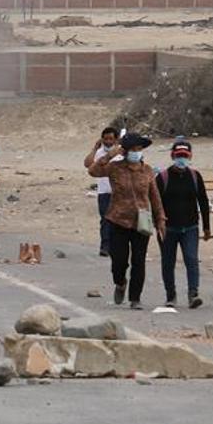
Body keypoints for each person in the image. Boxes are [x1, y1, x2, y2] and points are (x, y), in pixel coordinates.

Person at [88, 132, 166, 310]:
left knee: (139, 261)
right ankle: (120, 282)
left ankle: (135, 298)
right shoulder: (115, 168)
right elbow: (92, 171)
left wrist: (160, 219)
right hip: (118, 220)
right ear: (125, 151)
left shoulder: (147, 170)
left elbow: (155, 197)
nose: (136, 152)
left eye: (139, 149)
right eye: (133, 149)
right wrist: (109, 155)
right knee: (119, 261)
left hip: (142, 222)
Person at [156, 139, 210, 309]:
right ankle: (170, 296)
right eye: (178, 155)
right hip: (168, 229)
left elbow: (203, 201)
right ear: (172, 155)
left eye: (184, 156)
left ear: (190, 156)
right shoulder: (162, 177)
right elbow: (156, 203)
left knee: (191, 259)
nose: (181, 159)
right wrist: (159, 224)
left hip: (190, 227)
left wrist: (207, 227)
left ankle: (193, 294)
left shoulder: (195, 176)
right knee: (168, 262)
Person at [84, 127, 121, 257]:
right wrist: (94, 148)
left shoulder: (121, 153)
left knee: (118, 221)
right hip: (104, 192)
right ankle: (105, 246)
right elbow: (88, 164)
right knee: (105, 220)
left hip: (118, 192)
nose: (108, 141)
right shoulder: (99, 153)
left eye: (111, 138)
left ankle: (117, 246)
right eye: (105, 139)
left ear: (115, 139)